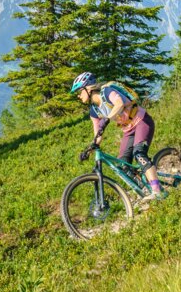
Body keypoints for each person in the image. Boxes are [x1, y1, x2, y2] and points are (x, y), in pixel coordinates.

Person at [70, 72, 166, 200]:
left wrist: (108, 118)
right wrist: (90, 149)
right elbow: (98, 133)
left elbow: (119, 104)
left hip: (142, 121)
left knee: (139, 154)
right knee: (122, 164)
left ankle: (157, 191)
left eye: (79, 91)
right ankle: (145, 188)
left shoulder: (106, 92)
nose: (78, 96)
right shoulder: (94, 110)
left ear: (88, 88)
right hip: (128, 130)